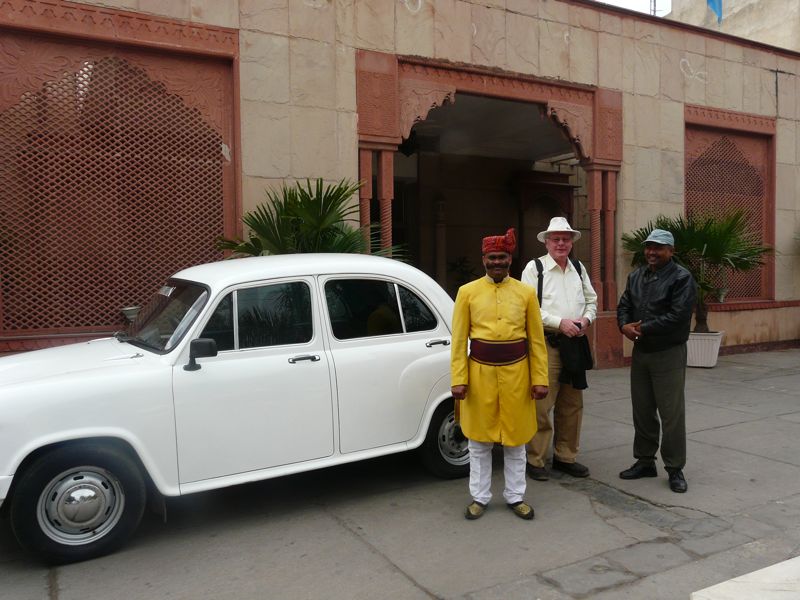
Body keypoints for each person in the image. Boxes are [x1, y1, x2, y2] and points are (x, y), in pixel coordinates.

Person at [451, 228, 549, 521]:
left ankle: (515, 496)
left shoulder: (525, 293)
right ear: (483, 259)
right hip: (479, 376)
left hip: (518, 375)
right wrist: (459, 379)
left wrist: (539, 379)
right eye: (492, 257)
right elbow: (458, 340)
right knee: (479, 442)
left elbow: (536, 340)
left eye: (503, 257)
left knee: (516, 441)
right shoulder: (467, 293)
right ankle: (479, 498)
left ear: (510, 258)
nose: (498, 262)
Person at [616, 228, 696, 493]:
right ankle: (645, 461)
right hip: (642, 353)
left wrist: (642, 328)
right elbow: (624, 305)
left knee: (671, 413)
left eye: (658, 248)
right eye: (649, 247)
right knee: (642, 409)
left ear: (670, 251)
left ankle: (675, 468)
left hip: (668, 352)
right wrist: (623, 325)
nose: (651, 252)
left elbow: (678, 316)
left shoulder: (682, 277)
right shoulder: (636, 275)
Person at [521, 217, 597, 481]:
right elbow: (528, 309)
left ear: (572, 242)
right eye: (556, 239)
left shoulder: (578, 267)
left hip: (575, 345)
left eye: (566, 239)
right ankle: (536, 460)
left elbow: (592, 300)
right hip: (547, 345)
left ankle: (566, 457)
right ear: (547, 242)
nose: (561, 243)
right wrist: (560, 323)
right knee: (542, 404)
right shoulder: (535, 269)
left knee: (572, 403)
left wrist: (586, 319)